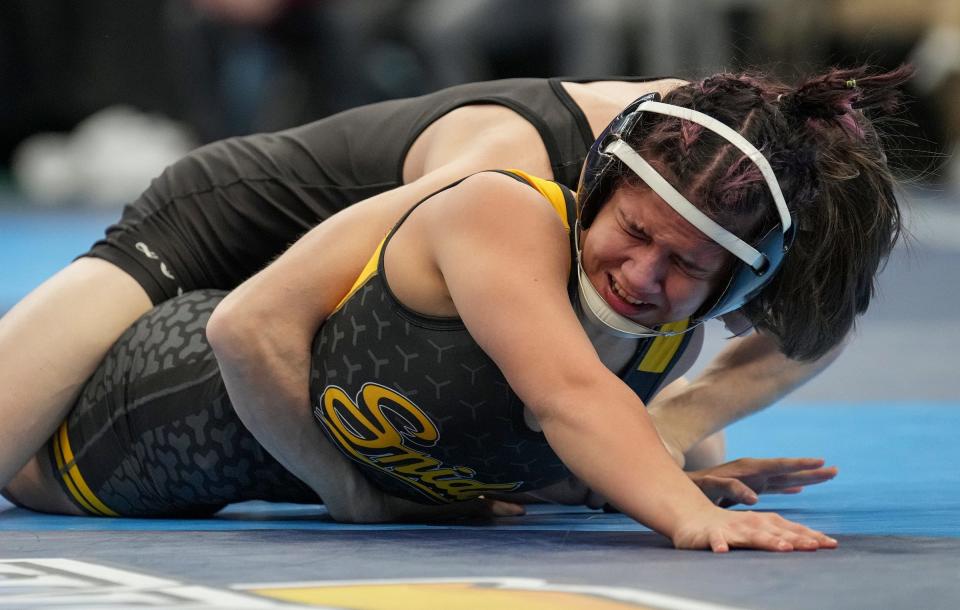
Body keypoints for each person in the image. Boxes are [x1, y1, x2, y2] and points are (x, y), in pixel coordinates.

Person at [0, 66, 908, 550]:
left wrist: (669, 443)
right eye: (641, 235)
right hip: (222, 224)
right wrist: (345, 492)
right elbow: (261, 320)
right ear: (608, 187)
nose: (652, 273)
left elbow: (806, 325)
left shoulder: (719, 179)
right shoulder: (502, 181)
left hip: (341, 268)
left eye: (696, 266)